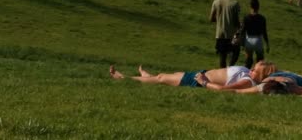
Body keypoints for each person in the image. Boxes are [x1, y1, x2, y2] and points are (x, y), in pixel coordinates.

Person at [109, 61, 277, 90]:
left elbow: (225, 89)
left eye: (255, 70)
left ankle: (123, 78)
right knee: (167, 75)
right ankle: (147, 76)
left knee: (161, 79)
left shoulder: (247, 82)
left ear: (260, 76)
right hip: (200, 74)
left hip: (199, 80)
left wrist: (204, 83)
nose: (251, 70)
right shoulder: (249, 75)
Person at [209, 0, 241, 68]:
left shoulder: (216, 2)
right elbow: (235, 21)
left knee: (222, 56)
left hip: (219, 34)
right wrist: (240, 26)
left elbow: (211, 18)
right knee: (236, 51)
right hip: (230, 34)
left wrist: (220, 20)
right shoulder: (234, 3)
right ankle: (230, 67)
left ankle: (223, 73)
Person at [242, 0, 270, 69]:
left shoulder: (246, 17)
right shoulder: (262, 18)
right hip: (258, 40)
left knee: (248, 60)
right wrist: (267, 44)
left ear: (250, 6)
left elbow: (243, 30)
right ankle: (259, 74)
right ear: (258, 7)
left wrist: (242, 43)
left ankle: (246, 73)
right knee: (260, 61)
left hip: (249, 40)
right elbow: (264, 32)